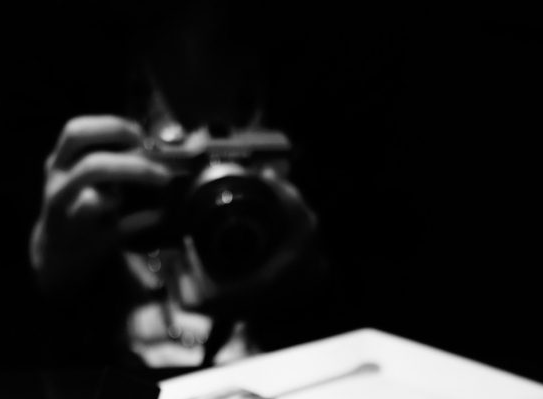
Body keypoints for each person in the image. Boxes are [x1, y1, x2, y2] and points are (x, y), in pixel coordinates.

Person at [28, 4, 329, 369]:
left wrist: (315, 280)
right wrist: (55, 269)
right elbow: (12, 323)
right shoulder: (56, 52)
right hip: (121, 369)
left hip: (293, 364)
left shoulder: (331, 52)